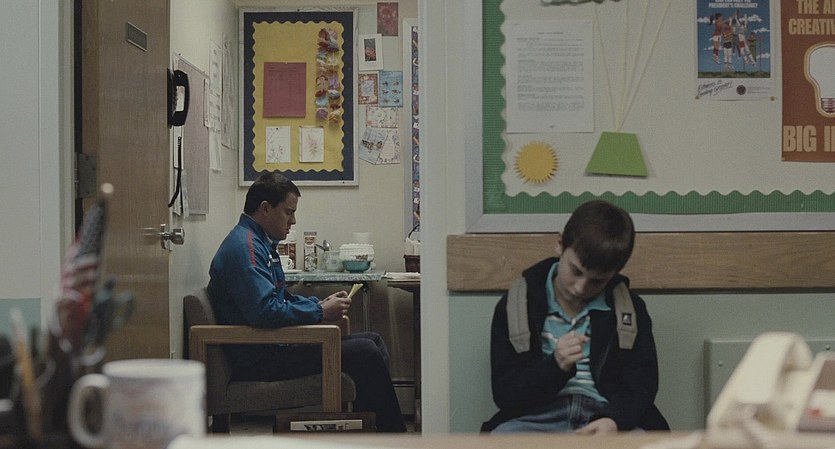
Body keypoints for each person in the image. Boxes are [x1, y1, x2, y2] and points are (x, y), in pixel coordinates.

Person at [207, 172, 406, 432]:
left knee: (373, 341)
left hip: (271, 345)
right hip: (260, 357)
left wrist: (319, 304)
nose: (293, 221)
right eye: (288, 213)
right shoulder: (246, 248)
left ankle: (370, 430)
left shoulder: (257, 242)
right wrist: (319, 312)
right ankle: (392, 435)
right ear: (265, 209)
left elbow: (279, 298)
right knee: (366, 352)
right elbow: (265, 311)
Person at [482, 200, 668, 434]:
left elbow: (642, 385)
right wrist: (555, 366)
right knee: (500, 438)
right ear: (560, 244)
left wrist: (615, 421)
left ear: (615, 273)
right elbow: (505, 392)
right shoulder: (517, 306)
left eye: (597, 280)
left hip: (605, 416)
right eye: (576, 271)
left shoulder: (629, 309)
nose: (581, 287)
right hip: (537, 417)